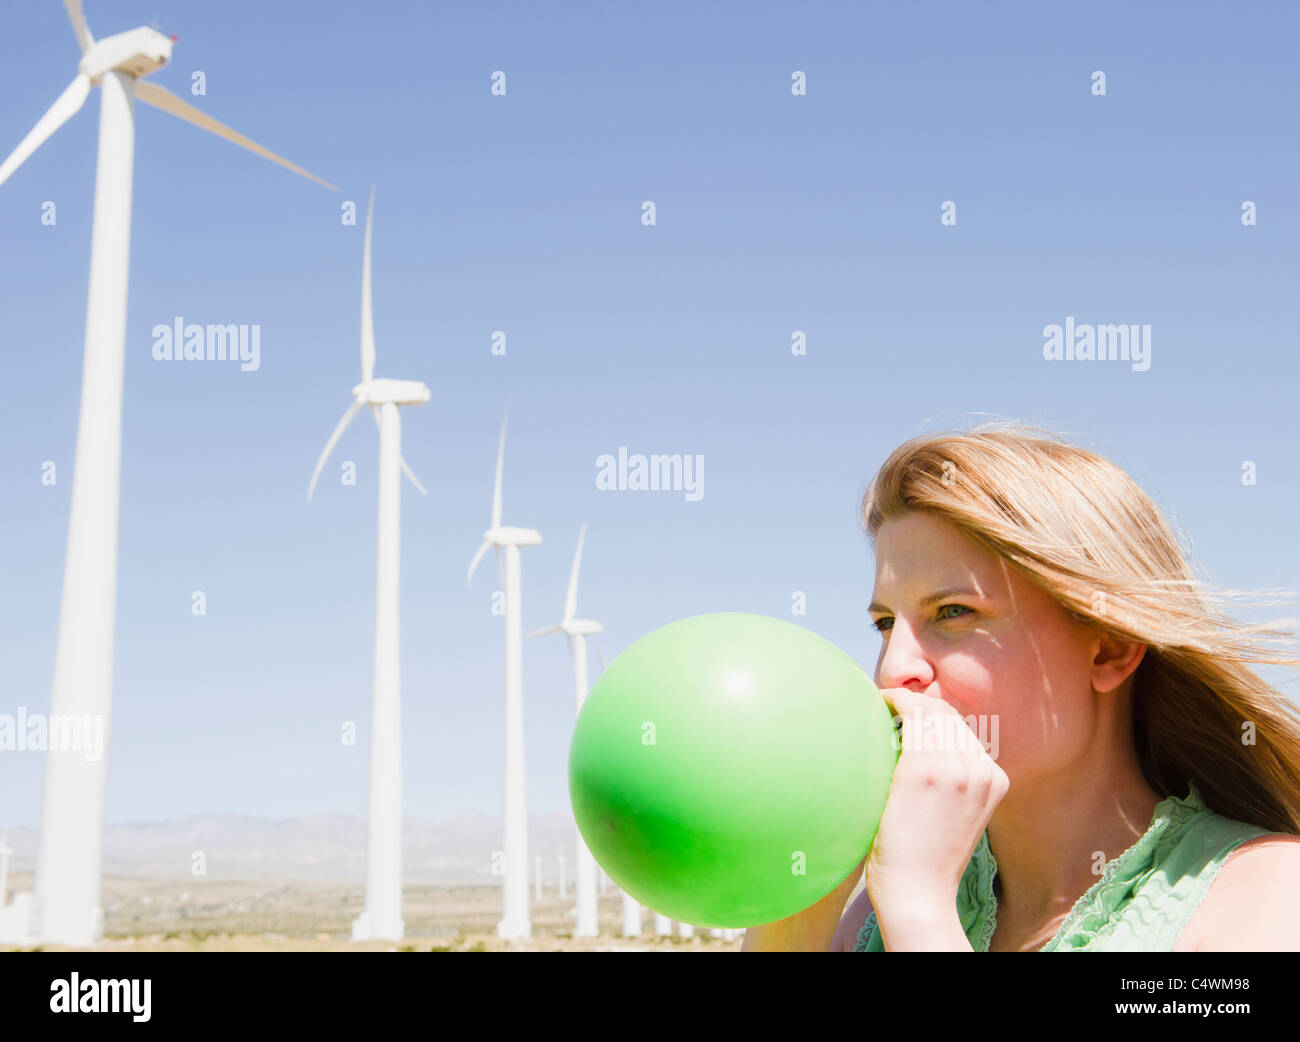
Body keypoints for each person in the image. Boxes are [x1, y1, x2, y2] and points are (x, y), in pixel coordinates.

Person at [743, 423, 1300, 951]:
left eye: (953, 611)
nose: (893, 671)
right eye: (886, 624)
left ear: (1109, 648)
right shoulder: (870, 916)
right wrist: (795, 915)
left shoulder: (1267, 897)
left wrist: (920, 912)